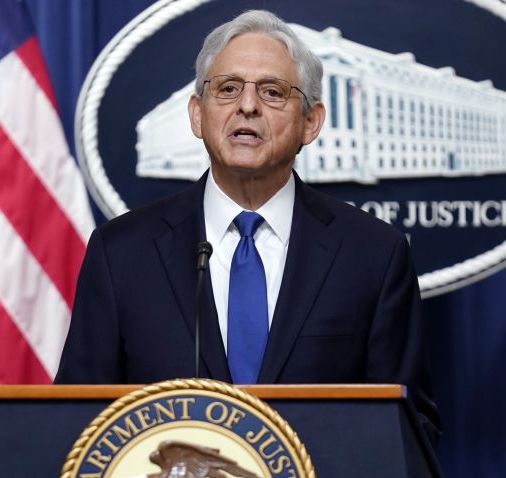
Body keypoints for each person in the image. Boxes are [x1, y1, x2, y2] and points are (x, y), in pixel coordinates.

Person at [55, 9, 440, 445]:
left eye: (273, 91)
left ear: (310, 123)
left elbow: (410, 431)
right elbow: (78, 426)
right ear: (198, 115)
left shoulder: (374, 254)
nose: (248, 105)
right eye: (228, 88)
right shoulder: (122, 253)